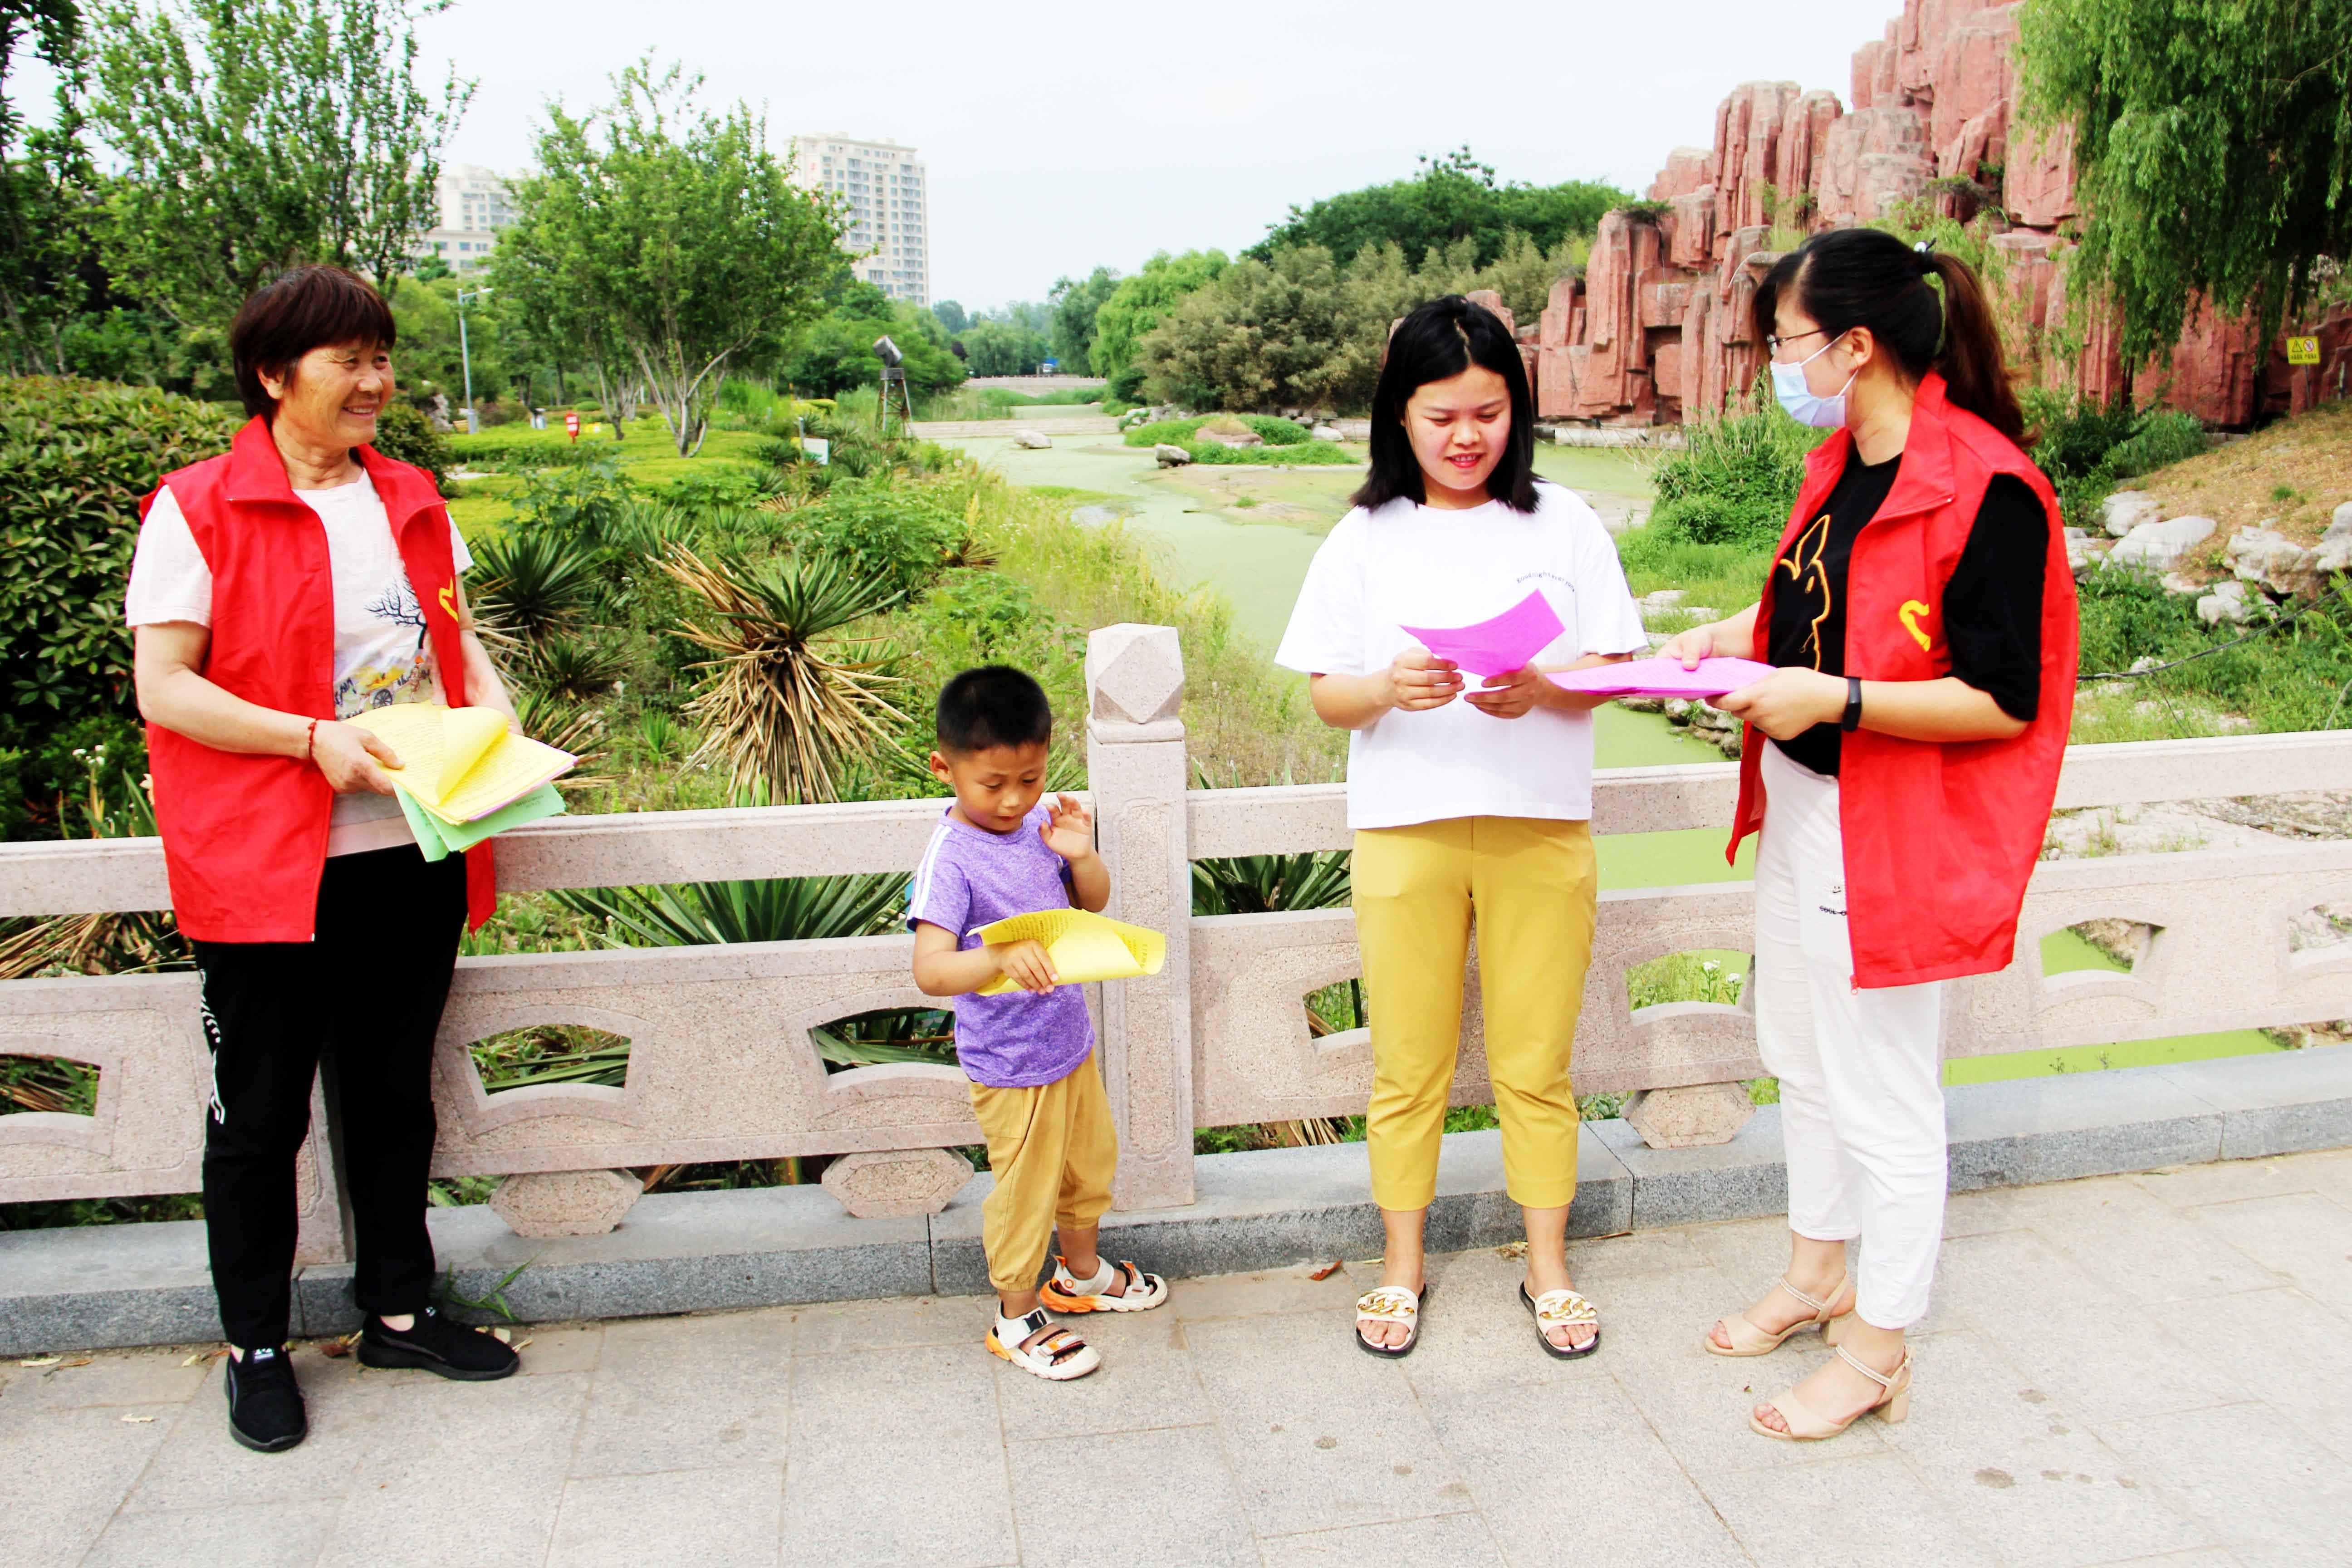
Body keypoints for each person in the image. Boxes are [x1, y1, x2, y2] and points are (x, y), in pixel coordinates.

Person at [1662, 228, 2077, 1440]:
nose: (1777, 365)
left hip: (1887, 822)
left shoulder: (1988, 486)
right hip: (1800, 795)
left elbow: (2004, 699)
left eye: (1786, 342)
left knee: (1885, 1089)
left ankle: (1882, 1345)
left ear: (1855, 344)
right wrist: (1730, 635)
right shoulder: (1847, 458)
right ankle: (1816, 1273)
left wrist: (1831, 700)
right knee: (1798, 1047)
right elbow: (1825, 604)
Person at [127, 265, 523, 1454]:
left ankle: (399, 1309)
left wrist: (504, 731)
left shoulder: (411, 497)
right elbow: (166, 685)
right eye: (350, 360)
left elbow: (452, 654)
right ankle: (255, 1342)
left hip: (411, 849)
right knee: (258, 1119)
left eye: (383, 357)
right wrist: (313, 743)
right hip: (265, 866)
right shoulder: (197, 509)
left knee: (395, 1096)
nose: (378, 381)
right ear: (273, 375)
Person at [1274, 296, 1647, 1360]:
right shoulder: (1364, 537)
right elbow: (1326, 698)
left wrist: (1544, 684)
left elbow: (1615, 669)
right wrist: (1389, 684)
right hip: (1407, 832)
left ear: (1516, 411)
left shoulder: (1564, 521)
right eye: (1442, 416)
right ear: (1400, 417)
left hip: (1541, 831)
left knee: (1537, 1064)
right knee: (1408, 1064)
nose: (1467, 436)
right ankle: (1401, 1268)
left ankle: (1549, 1267)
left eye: (1488, 412)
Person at [908, 666, 1170, 1381]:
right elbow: (931, 968)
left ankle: (1078, 1276)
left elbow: (1090, 905)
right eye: (993, 784)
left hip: (1066, 1040)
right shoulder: (951, 858)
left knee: (1089, 1167)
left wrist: (1080, 856)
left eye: (1030, 777)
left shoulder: (1036, 825)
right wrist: (995, 953)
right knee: (1025, 1191)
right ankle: (1016, 1314)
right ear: (945, 768)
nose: (1014, 799)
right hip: (1008, 1061)